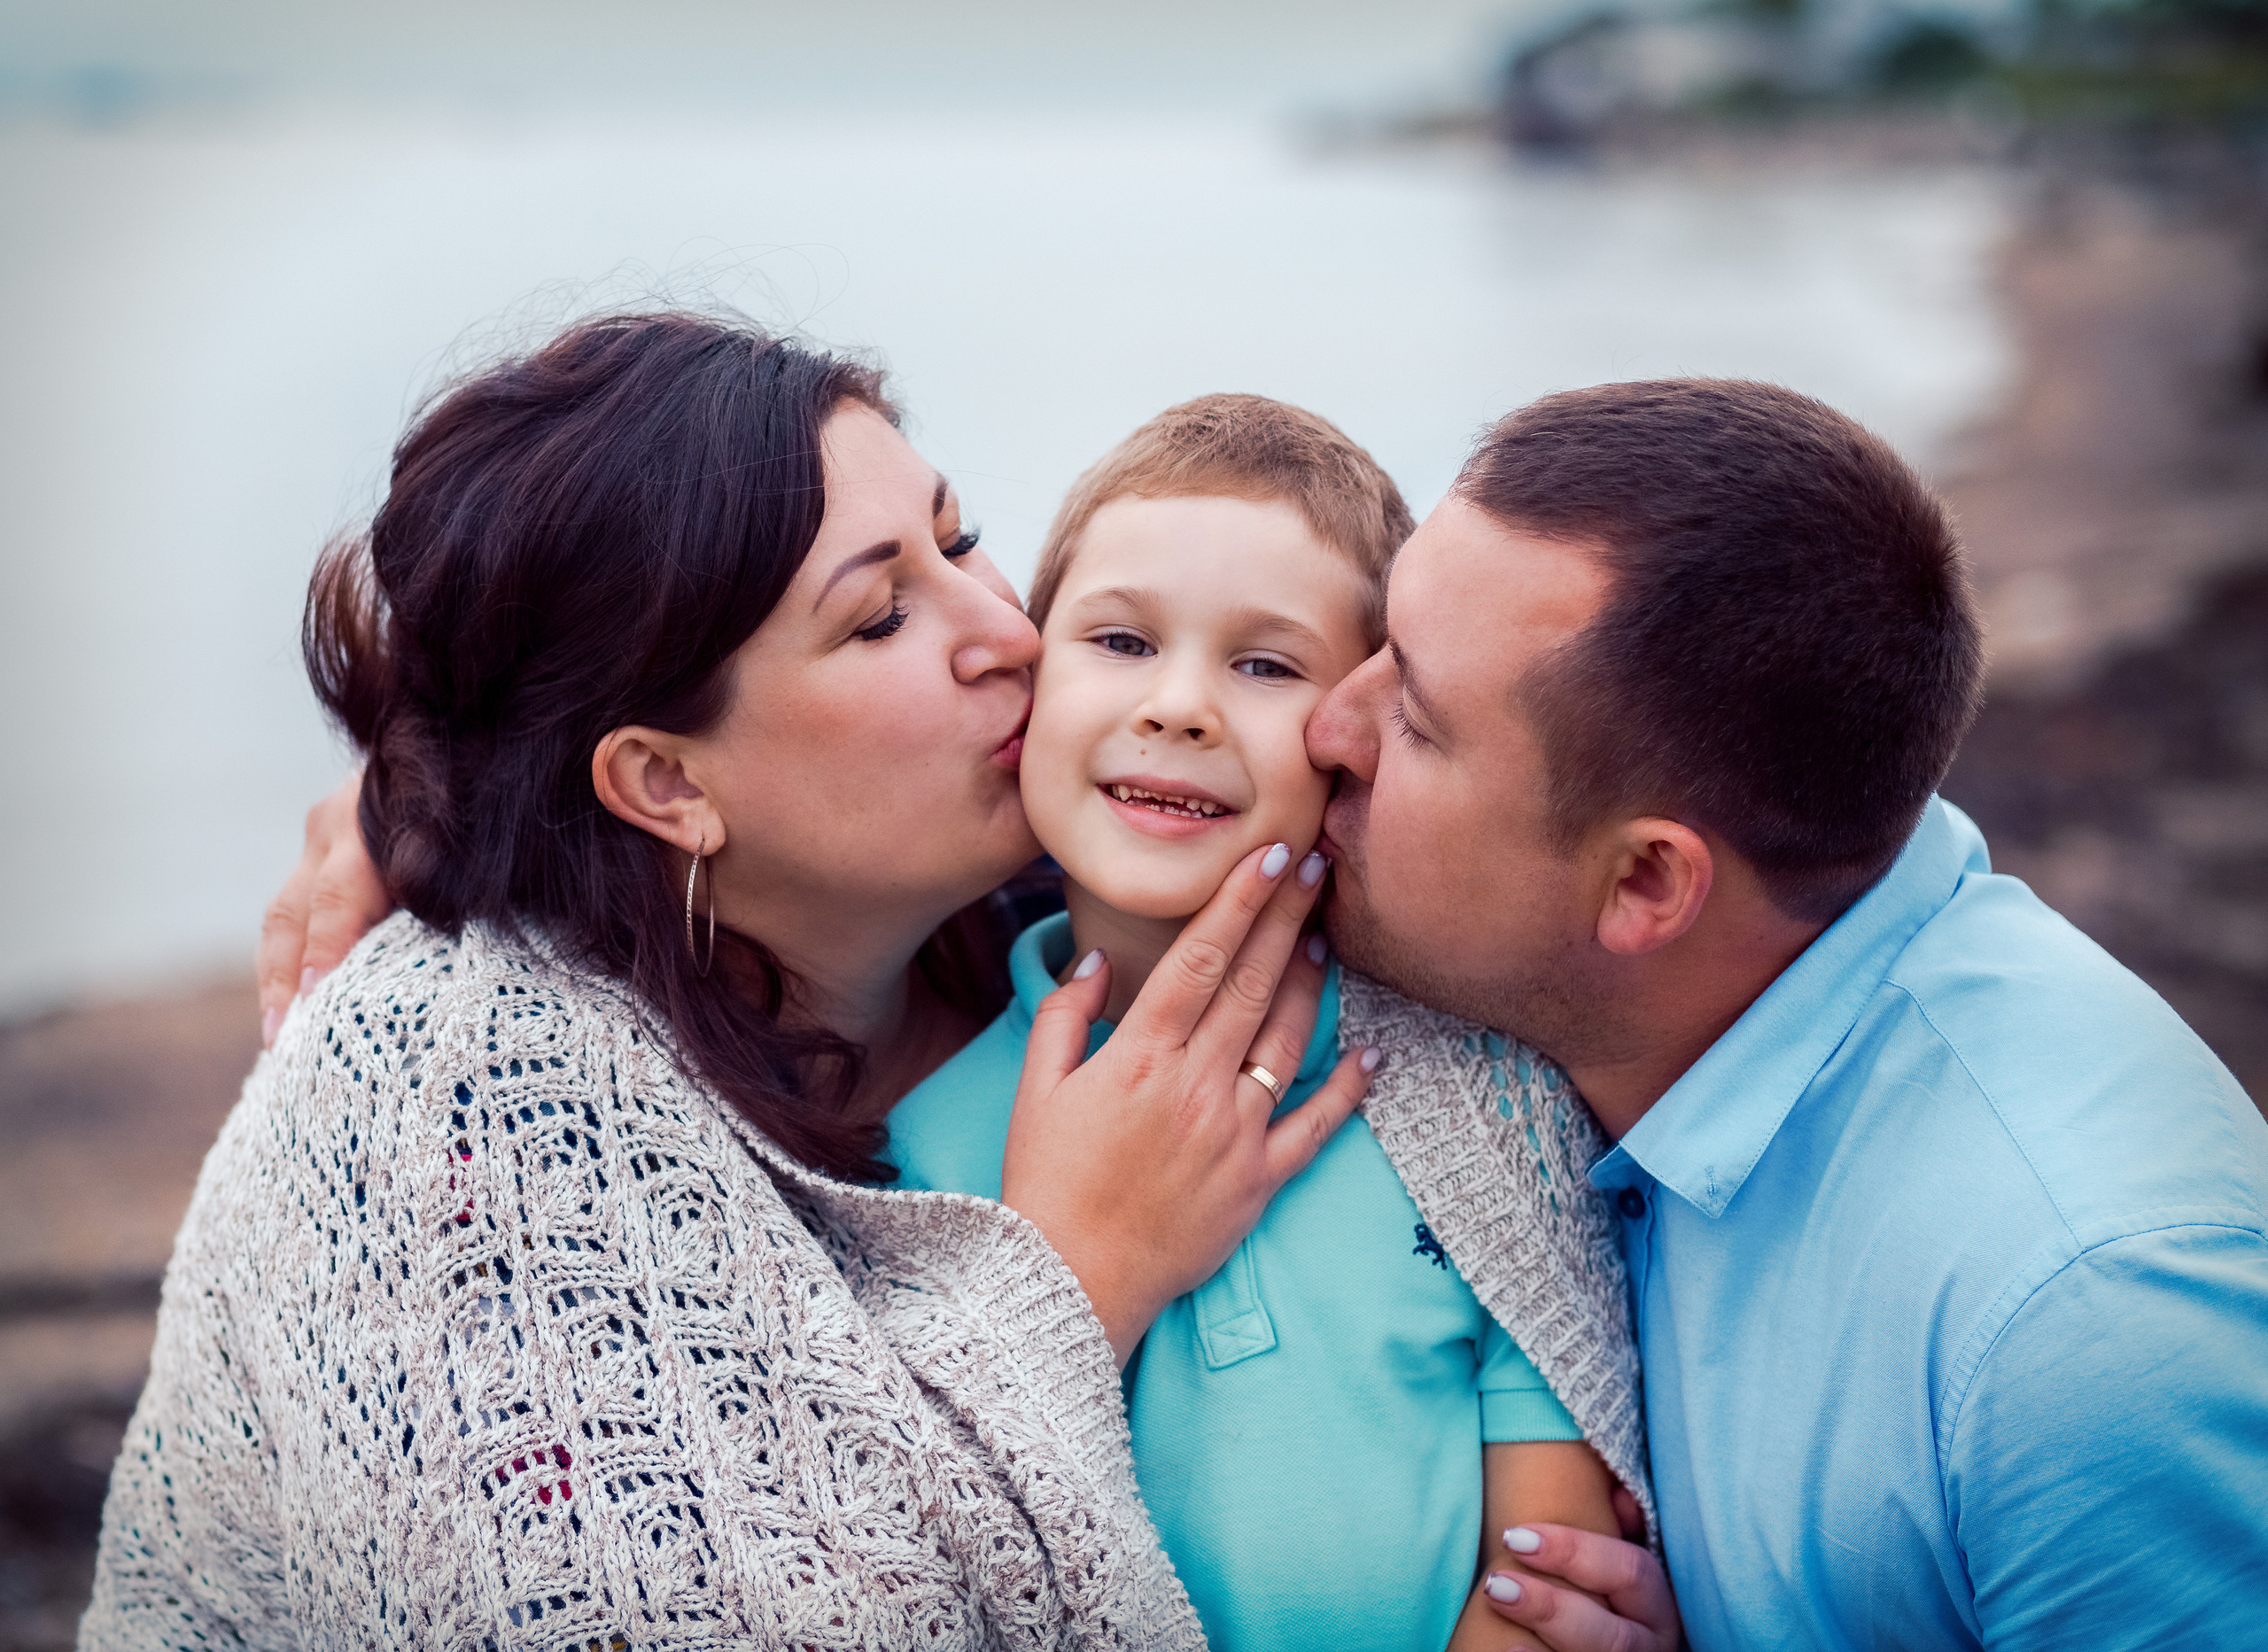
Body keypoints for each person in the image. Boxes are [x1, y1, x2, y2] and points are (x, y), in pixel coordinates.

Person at [82, 313, 1381, 1648]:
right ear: (666, 782)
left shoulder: (1044, 912)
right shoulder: (446, 1108)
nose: (1009, 629)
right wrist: (1076, 1271)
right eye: (881, 614)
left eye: (961, 533)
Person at [1307, 380, 2268, 1648]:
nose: (1326, 724)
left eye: (1414, 721)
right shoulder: (1601, 1031)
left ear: (1648, 881)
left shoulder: (2084, 1321)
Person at [880, 394, 1645, 1652]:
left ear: (1358, 732)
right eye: (1121, 641)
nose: (1180, 706)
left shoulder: (1483, 1091)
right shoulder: (917, 1143)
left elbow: (1548, 1577)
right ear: (1029, 677)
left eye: (1266, 664)